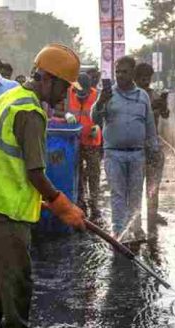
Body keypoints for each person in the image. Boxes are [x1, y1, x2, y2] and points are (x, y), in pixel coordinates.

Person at [0, 44, 86, 328]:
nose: (65, 95)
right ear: (47, 78)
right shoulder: (30, 112)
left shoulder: (10, 96)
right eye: (65, 86)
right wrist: (62, 205)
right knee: (17, 272)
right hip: (7, 206)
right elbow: (35, 172)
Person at [93, 56, 160, 243]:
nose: (120, 75)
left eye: (124, 72)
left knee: (136, 194)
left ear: (132, 73)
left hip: (137, 155)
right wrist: (100, 102)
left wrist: (153, 149)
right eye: (117, 72)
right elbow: (94, 119)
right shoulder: (108, 95)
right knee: (118, 194)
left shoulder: (142, 96)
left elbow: (149, 126)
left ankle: (136, 230)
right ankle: (119, 232)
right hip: (113, 154)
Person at [134, 62, 170, 227]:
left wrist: (163, 105)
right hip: (136, 146)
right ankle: (135, 219)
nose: (145, 81)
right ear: (135, 79)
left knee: (154, 183)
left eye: (148, 78)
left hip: (153, 144)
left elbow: (165, 115)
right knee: (136, 186)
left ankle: (152, 214)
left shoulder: (155, 95)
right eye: (142, 78)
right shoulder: (132, 96)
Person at [67, 72, 103, 220]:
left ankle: (94, 205)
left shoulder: (97, 96)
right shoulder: (69, 92)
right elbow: (62, 109)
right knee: (78, 174)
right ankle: (81, 203)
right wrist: (67, 115)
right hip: (75, 141)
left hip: (93, 142)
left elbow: (104, 115)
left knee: (93, 174)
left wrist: (99, 126)